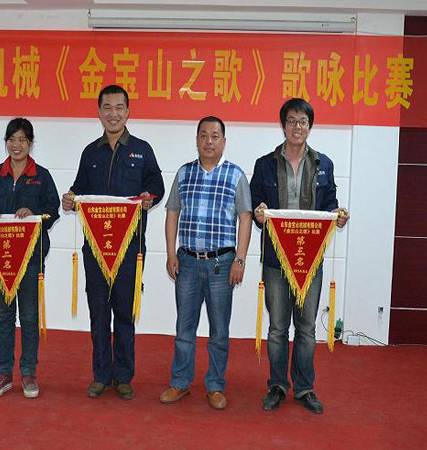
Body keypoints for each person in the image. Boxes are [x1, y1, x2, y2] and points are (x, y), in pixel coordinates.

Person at [62, 85, 164, 400]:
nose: (113, 114)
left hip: (130, 248)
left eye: (119, 107)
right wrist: (70, 198)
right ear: (99, 112)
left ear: (128, 111)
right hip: (95, 247)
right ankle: (100, 376)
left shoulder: (142, 150)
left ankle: (123, 376)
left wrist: (149, 196)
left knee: (124, 312)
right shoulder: (90, 152)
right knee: (98, 311)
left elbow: (157, 186)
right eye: (107, 107)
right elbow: (79, 188)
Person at [250, 98, 349, 414]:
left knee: (306, 328)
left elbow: (330, 202)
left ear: (310, 126)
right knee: (277, 328)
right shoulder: (265, 164)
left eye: (302, 121)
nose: (297, 126)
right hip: (276, 261)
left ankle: (305, 388)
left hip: (310, 259)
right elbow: (255, 203)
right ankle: (278, 385)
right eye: (291, 120)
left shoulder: (324, 164)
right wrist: (259, 213)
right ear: (283, 125)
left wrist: (338, 214)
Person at [159, 116, 252, 410]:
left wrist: (240, 259)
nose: (209, 141)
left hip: (222, 265)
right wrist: (171, 253)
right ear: (197, 140)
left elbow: (245, 218)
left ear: (224, 141)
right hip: (187, 262)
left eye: (214, 136)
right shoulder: (184, 173)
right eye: (203, 135)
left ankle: (215, 385)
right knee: (184, 329)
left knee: (219, 330)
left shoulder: (236, 175)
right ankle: (180, 382)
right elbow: (172, 212)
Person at [0, 118, 60, 399]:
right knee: (3, 316)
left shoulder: (42, 176)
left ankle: (28, 373)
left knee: (29, 317)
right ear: (6, 142)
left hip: (31, 257)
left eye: (22, 140)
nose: (17, 145)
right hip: (0, 257)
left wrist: (33, 213)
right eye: (12, 139)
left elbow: (53, 210)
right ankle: (3, 373)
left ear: (30, 143)